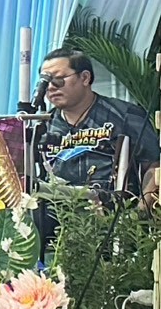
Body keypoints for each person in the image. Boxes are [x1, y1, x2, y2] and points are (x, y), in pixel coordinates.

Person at [34, 47, 159, 205]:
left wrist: (139, 213)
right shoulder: (43, 126)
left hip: (114, 214)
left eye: (59, 79)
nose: (51, 87)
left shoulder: (125, 115)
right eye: (45, 82)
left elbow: (154, 166)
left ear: (85, 78)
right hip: (56, 215)